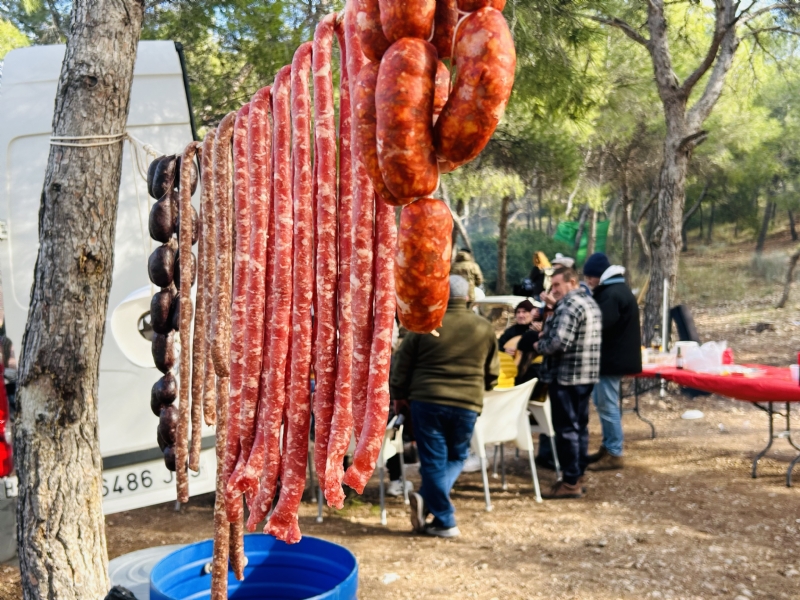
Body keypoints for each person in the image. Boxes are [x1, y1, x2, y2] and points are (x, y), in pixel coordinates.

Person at [390, 275, 500, 537]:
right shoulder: (484, 328)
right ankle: (436, 510)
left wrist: (399, 395)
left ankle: (444, 518)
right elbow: (492, 374)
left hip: (427, 401)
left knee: (433, 460)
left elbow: (401, 366)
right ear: (468, 297)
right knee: (458, 456)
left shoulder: (425, 325)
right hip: (467, 404)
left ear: (440, 295)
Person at [534, 267, 602, 499]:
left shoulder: (569, 305)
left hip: (567, 377)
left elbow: (559, 343)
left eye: (557, 285)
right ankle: (577, 475)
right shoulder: (590, 302)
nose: (553, 290)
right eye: (552, 285)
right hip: (586, 376)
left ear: (571, 282)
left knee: (566, 430)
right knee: (579, 427)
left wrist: (539, 345)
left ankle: (570, 482)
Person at [582, 252, 642, 471]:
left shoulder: (610, 294)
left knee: (607, 406)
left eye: (591, 277)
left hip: (611, 360)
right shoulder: (615, 290)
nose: (588, 280)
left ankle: (615, 452)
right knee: (603, 403)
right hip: (612, 358)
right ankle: (608, 447)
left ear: (601, 275)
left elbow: (598, 326)